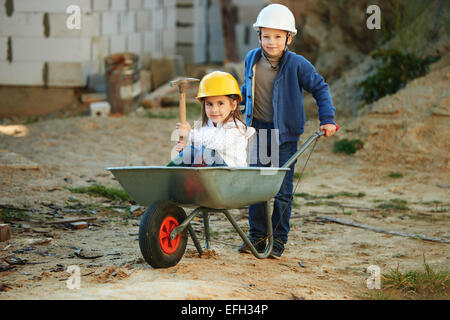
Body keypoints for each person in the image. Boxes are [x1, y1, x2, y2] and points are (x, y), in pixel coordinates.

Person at [239, 4, 338, 258]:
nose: (272, 42)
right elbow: (247, 86)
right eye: (267, 36)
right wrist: (235, 101)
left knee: (282, 191)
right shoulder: (251, 58)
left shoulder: (297, 64)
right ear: (259, 35)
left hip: (284, 135)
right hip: (259, 131)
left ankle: (279, 240)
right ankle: (257, 237)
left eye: (278, 36)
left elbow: (320, 88)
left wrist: (327, 118)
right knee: (257, 188)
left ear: (289, 38)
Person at [169, 71, 255, 167]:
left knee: (207, 152)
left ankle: (193, 180)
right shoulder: (204, 126)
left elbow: (216, 142)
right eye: (209, 104)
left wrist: (190, 134)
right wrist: (186, 144)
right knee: (190, 152)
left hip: (232, 177)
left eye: (220, 103)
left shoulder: (237, 129)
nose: (214, 110)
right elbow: (201, 142)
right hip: (212, 175)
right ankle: (168, 176)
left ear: (233, 105)